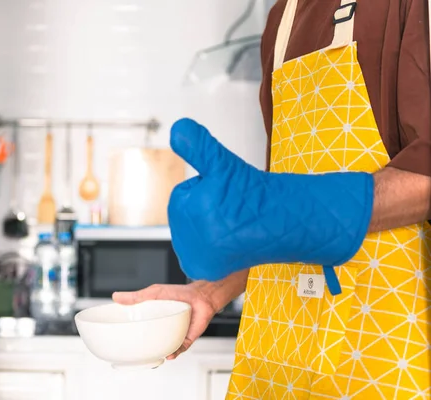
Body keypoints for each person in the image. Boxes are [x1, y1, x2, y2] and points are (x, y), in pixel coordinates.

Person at [114, 0, 431, 398]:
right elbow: (280, 206)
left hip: (377, 338)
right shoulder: (281, 19)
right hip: (276, 349)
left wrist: (288, 209)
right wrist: (209, 292)